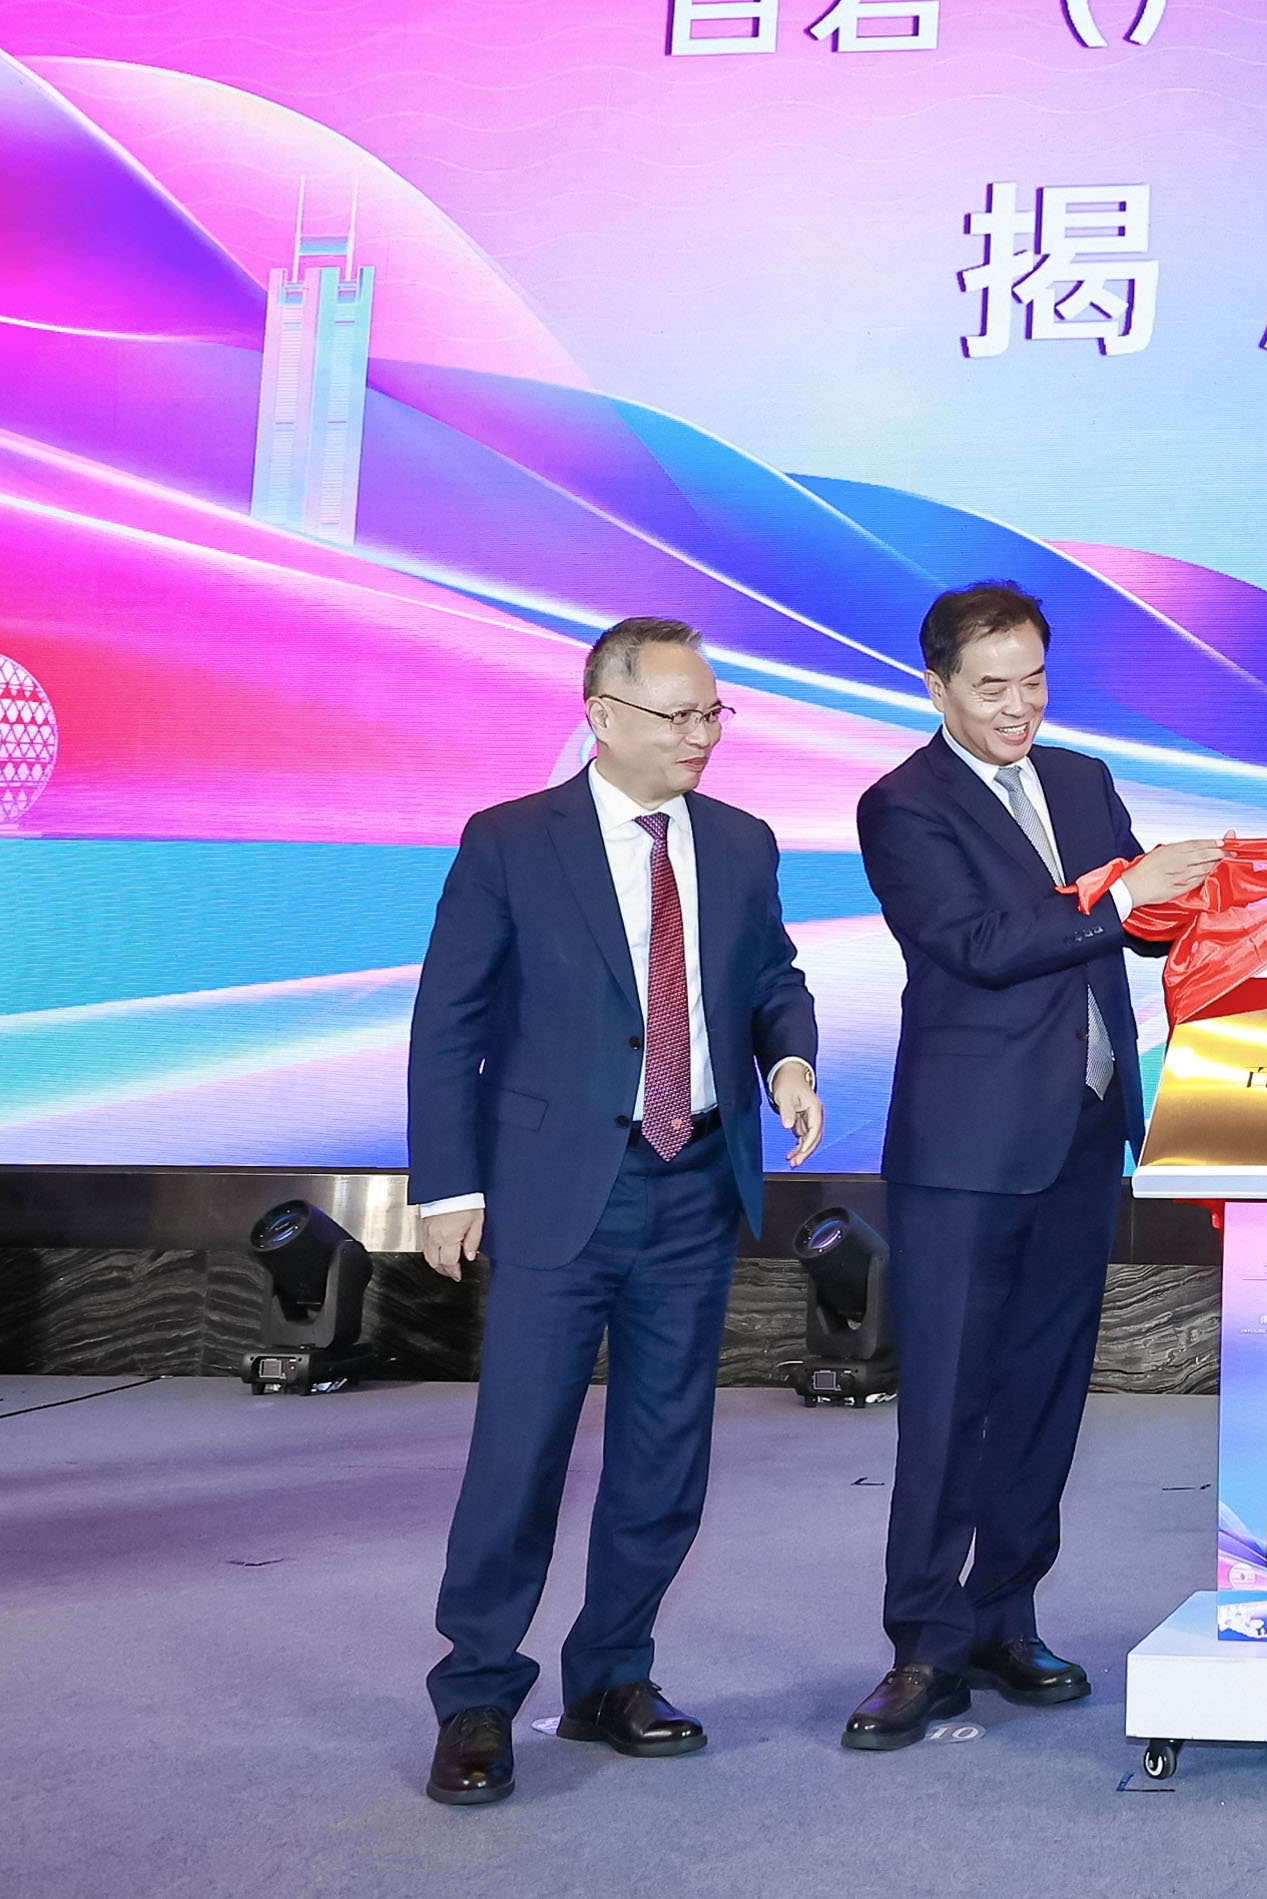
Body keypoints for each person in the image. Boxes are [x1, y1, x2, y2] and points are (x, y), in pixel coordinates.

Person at [409, 617, 823, 1808]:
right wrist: (447, 1183)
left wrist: (788, 1057)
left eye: (711, 713)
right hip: (555, 1188)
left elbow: (771, 977)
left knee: (663, 1447)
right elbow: (449, 1021)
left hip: (694, 1181)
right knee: (520, 1446)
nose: (701, 735)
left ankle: (612, 1673)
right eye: (676, 715)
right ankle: (477, 1692)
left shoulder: (740, 841)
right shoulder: (509, 841)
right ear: (600, 715)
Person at [840, 582, 1224, 1750]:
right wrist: (1126, 891)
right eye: (992, 686)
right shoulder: (902, 804)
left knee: (1044, 1395)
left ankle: (1005, 1618)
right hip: (966, 1149)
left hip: (1082, 1132)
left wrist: (1231, 892)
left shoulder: (1082, 780)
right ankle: (922, 1641)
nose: (1019, 707)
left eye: (1036, 681)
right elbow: (981, 943)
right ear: (937, 686)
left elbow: (1138, 924)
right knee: (948, 1403)